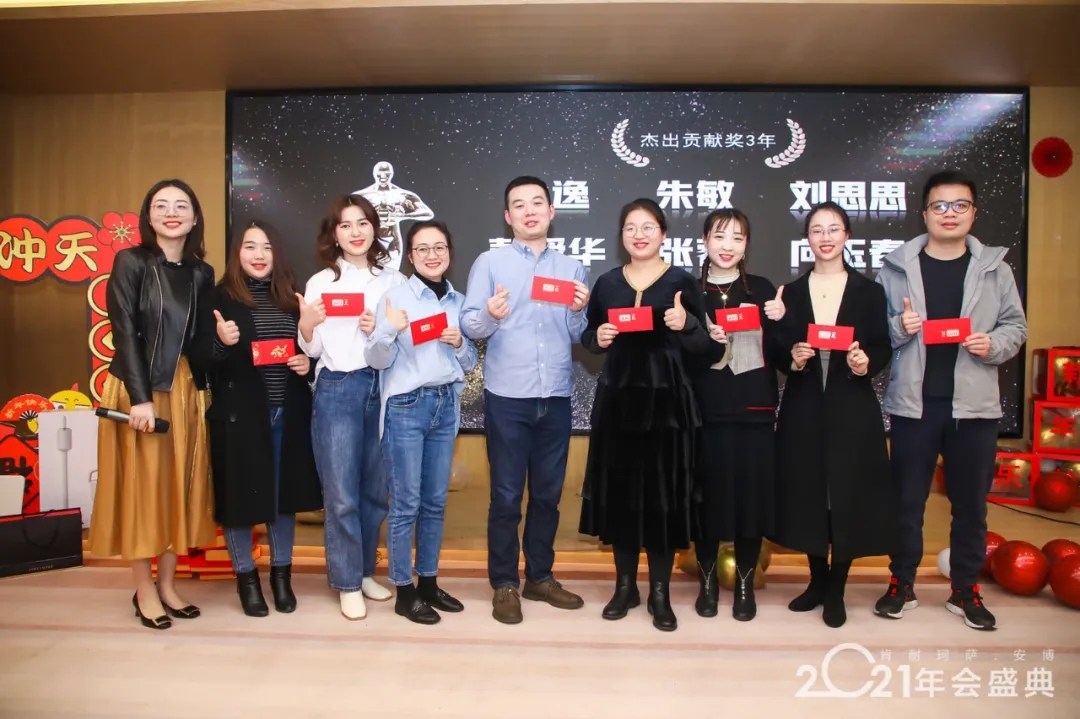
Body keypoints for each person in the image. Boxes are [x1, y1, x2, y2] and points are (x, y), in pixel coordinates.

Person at [873, 171, 1027, 631]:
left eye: (960, 205)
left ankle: (965, 589)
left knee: (971, 505)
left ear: (973, 213)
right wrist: (901, 328)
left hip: (974, 408)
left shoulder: (996, 269)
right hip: (913, 405)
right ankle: (901, 583)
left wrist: (992, 344)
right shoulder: (896, 268)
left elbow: (1016, 327)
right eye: (940, 206)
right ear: (924, 214)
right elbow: (876, 333)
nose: (949, 214)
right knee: (906, 502)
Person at [460, 176, 590, 624]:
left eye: (538, 203)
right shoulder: (490, 263)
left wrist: (578, 311)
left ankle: (540, 576)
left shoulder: (572, 268)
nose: (529, 211)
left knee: (548, 495)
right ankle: (504, 583)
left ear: (552, 212)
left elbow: (578, 335)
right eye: (519, 204)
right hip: (507, 396)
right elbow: (469, 324)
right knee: (506, 496)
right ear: (507, 216)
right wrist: (489, 315)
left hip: (555, 394)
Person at [88, 179, 217, 630]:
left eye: (181, 205)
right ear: (148, 216)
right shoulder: (131, 261)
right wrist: (141, 400)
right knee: (144, 489)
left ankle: (167, 585)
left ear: (195, 218)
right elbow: (123, 330)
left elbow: (199, 341)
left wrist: (222, 344)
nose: (171, 212)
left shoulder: (202, 272)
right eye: (161, 205)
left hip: (184, 389)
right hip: (139, 386)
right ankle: (144, 589)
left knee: (176, 487)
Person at [579, 198, 710, 632]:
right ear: (621, 236)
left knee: (662, 498)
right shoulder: (607, 282)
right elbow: (589, 335)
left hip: (668, 406)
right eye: (631, 227)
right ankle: (624, 587)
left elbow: (706, 348)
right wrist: (597, 336)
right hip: (619, 403)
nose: (639, 235)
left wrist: (686, 323)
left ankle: (659, 592)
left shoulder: (682, 281)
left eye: (648, 227)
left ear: (663, 234)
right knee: (621, 496)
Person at [771, 201, 893, 629]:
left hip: (851, 404)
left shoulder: (869, 291)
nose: (825, 237)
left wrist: (864, 363)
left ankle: (837, 588)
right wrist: (794, 357)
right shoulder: (791, 292)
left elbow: (881, 345)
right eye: (817, 230)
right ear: (807, 239)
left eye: (833, 229)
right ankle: (816, 581)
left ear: (846, 236)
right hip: (804, 404)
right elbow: (779, 349)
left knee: (846, 494)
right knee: (807, 492)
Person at [194, 220, 323, 617]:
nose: (259, 255)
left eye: (266, 247)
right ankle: (246, 581)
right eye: (250, 247)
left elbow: (312, 350)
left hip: (288, 413)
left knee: (283, 500)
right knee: (239, 500)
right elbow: (199, 361)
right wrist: (221, 343)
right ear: (237, 253)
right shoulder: (218, 297)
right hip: (241, 416)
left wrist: (307, 362)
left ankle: (281, 578)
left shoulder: (291, 296)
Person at [298, 194, 406, 620]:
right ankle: (345, 582)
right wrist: (307, 325)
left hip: (383, 387)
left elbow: (403, 339)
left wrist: (381, 330)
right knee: (342, 494)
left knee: (375, 493)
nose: (356, 232)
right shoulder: (320, 282)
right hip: (338, 388)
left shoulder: (393, 280)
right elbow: (312, 349)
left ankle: (363, 572)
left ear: (374, 228)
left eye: (362, 223)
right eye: (345, 225)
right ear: (334, 234)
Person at [365, 220, 478, 625]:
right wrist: (388, 331)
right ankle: (404, 590)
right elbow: (375, 360)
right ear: (410, 257)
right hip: (406, 407)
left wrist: (460, 343)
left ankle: (428, 582)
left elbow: (470, 363)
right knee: (406, 503)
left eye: (439, 247)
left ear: (449, 253)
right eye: (423, 249)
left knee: (435, 502)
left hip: (445, 405)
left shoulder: (459, 302)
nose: (433, 255)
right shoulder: (395, 299)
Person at [689, 208, 788, 622]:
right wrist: (703, 340)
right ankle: (708, 582)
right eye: (719, 236)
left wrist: (781, 323)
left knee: (751, 503)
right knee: (707, 501)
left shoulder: (762, 289)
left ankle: (746, 583)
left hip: (754, 410)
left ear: (746, 245)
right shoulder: (689, 291)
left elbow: (782, 357)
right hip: (706, 411)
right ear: (705, 242)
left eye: (737, 238)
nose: (727, 246)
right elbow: (680, 358)